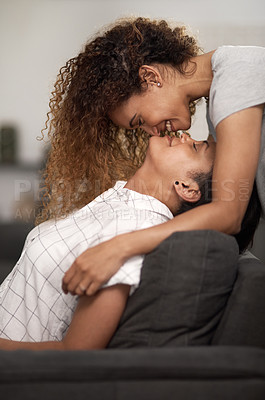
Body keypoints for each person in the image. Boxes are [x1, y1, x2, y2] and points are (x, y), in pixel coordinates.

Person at [55, 17, 264, 296]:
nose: (151, 132)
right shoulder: (223, 93)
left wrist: (117, 247)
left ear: (151, 78)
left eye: (139, 120)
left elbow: (228, 214)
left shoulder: (237, 75)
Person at [0, 134, 216, 350]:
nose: (186, 136)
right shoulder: (124, 202)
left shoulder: (138, 227)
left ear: (187, 188)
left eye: (196, 147)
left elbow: (77, 351)